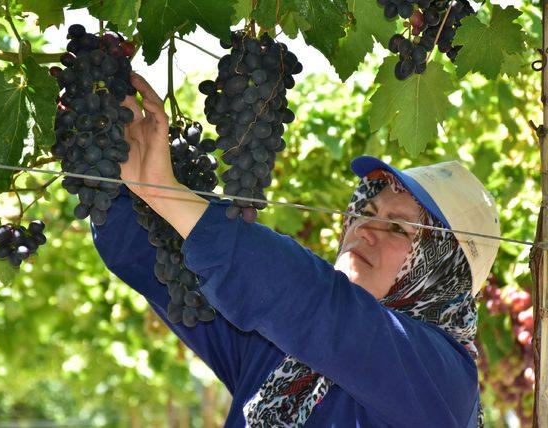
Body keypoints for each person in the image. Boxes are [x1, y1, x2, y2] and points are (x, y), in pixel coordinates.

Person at [90, 73, 501, 427]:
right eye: (367, 210)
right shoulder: (279, 354)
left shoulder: (442, 384)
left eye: (398, 227)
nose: (365, 229)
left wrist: (169, 194)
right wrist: (116, 164)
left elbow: (318, 306)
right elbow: (147, 259)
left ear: (438, 272)